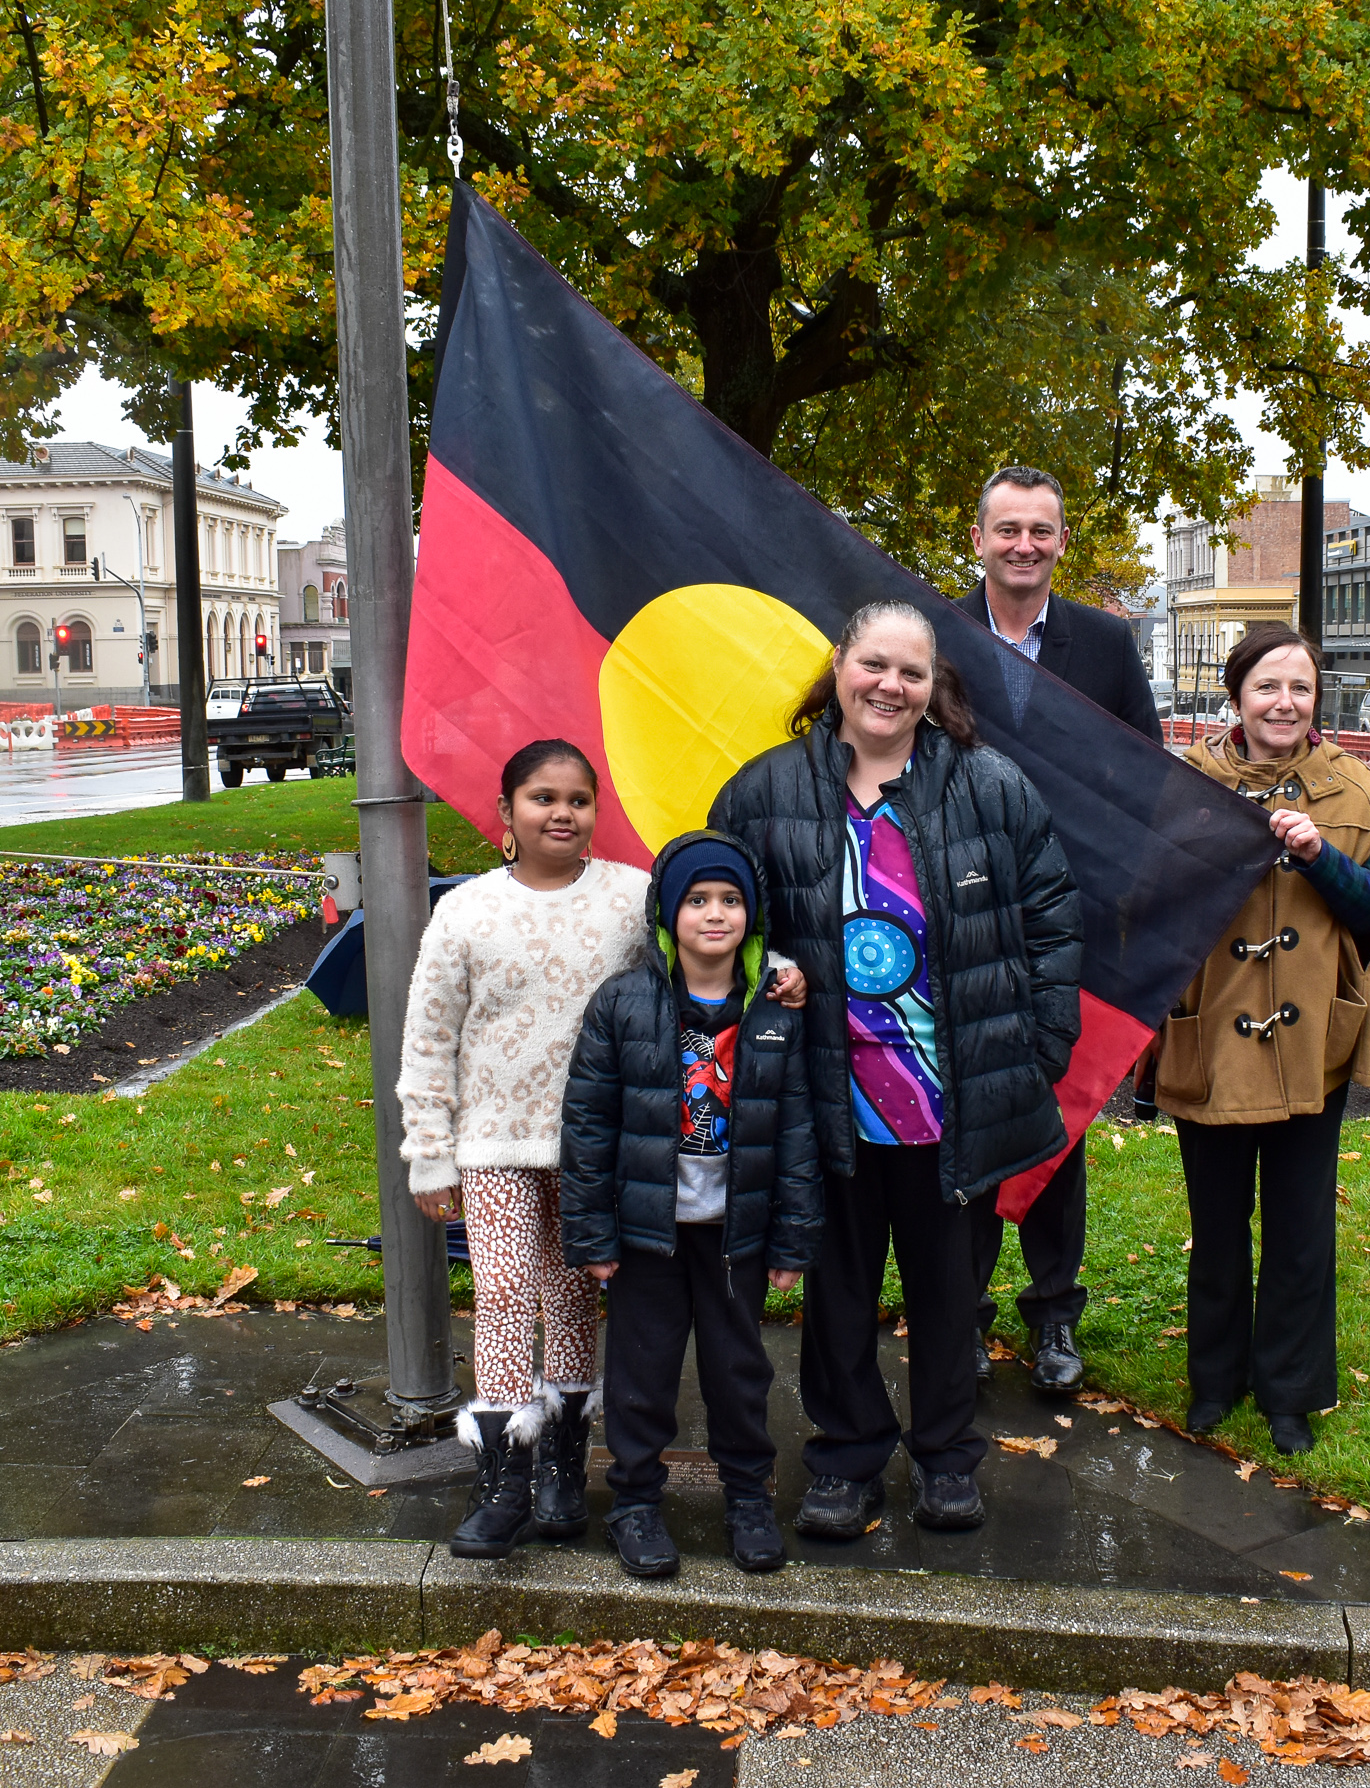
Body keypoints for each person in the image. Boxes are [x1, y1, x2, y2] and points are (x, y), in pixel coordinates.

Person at [710, 600, 1082, 1539]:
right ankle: (844, 1459)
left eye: (911, 673)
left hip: (947, 1100)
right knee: (837, 1293)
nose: (891, 686)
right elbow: (713, 925)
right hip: (823, 1096)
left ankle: (949, 1458)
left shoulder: (988, 787)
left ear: (933, 687)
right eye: (875, 664)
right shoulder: (765, 793)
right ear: (840, 667)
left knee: (947, 1293)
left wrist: (1034, 1054)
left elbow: (1052, 923)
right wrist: (766, 982)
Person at [1139, 622, 1370, 1456]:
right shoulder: (1186, 784)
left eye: (1300, 688)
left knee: (1298, 1224)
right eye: (1267, 687)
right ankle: (1215, 1380)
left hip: (1310, 1042)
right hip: (1210, 1033)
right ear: (1236, 696)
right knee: (1217, 1222)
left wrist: (1320, 855)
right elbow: (1147, 907)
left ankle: (1290, 1392)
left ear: (1316, 699)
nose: (1283, 703)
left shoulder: (1352, 791)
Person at [396, 740, 649, 1558]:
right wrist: (430, 1153)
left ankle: (564, 1468)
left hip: (591, 1145)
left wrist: (779, 969)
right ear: (506, 813)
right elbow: (429, 1039)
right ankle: (502, 1477)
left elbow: (709, 947)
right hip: (495, 1141)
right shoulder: (465, 912)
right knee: (505, 1293)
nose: (562, 813)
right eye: (543, 798)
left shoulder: (630, 900)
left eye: (578, 799)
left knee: (574, 1296)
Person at [560, 831, 820, 1580]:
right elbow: (587, 1126)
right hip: (649, 1234)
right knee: (642, 1371)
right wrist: (593, 1233)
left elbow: (796, 1129)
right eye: (698, 900)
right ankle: (635, 1503)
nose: (715, 914)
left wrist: (792, 1241)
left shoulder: (774, 1009)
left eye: (731, 900)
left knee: (740, 1373)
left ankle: (747, 1499)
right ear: (667, 914)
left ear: (752, 913)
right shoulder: (624, 1004)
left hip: (736, 1234)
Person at [954, 465, 1160, 1394]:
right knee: (956, 1120)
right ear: (980, 538)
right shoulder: (936, 636)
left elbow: (1145, 778)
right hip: (953, 921)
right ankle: (959, 1314)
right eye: (1008, 530)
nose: (1024, 545)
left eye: (1041, 530)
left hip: (1066, 925)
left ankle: (1055, 1318)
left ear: (1061, 542)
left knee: (1056, 1121)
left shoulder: (1108, 645)